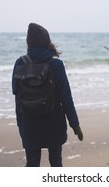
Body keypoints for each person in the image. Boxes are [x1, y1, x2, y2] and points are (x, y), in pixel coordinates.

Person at [12, 23, 83, 167]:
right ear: (47, 41)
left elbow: (17, 96)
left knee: (32, 163)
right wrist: (75, 124)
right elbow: (66, 97)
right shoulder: (55, 64)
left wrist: (20, 124)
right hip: (53, 122)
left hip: (28, 121)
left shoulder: (20, 63)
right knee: (56, 161)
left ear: (29, 42)